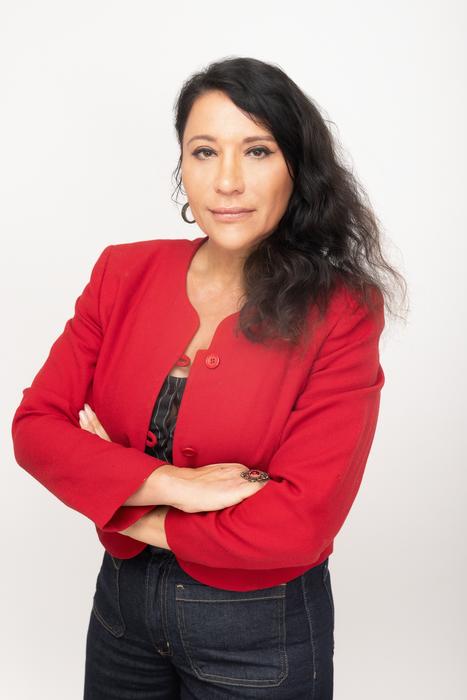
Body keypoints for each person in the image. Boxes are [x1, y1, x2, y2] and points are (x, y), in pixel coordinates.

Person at [11, 56, 406, 699]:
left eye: (257, 151)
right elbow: (35, 430)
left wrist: (128, 509)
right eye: (204, 151)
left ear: (297, 168)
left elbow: (300, 521)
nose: (227, 181)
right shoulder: (122, 273)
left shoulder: (342, 309)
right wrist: (177, 486)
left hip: (258, 629)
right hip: (121, 611)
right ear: (182, 165)